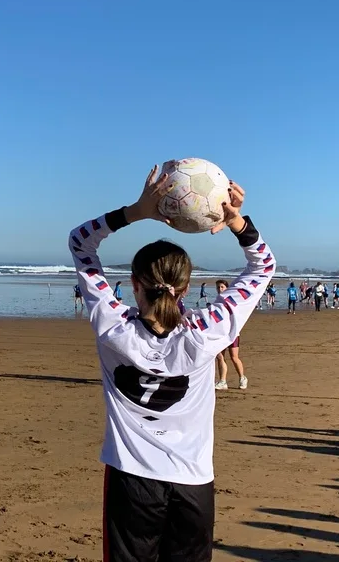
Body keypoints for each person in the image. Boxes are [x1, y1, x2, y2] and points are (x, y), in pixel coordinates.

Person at [70, 167, 272, 562]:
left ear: (134, 284)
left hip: (131, 482)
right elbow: (263, 266)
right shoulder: (206, 331)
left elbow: (80, 242)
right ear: (185, 287)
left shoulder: (112, 326)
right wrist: (236, 222)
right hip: (192, 485)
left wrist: (135, 212)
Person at [214, 279, 248, 390]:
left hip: (233, 333)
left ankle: (242, 378)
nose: (220, 289)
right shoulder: (217, 301)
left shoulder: (231, 300)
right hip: (221, 333)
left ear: (227, 288)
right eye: (218, 287)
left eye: (222, 287)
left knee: (234, 357)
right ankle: (222, 381)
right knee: (220, 356)